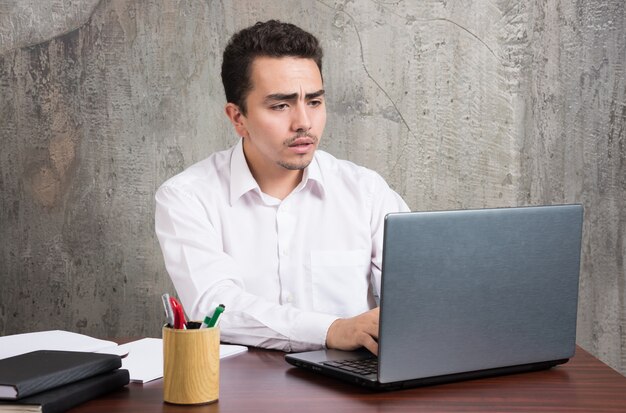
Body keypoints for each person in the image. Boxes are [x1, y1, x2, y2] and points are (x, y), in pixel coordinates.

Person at [155, 20, 409, 355]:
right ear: (237, 118)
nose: (303, 121)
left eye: (314, 102)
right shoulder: (187, 197)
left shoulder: (367, 192)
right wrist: (332, 329)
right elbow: (214, 307)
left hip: (352, 389)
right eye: (281, 105)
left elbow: (418, 294)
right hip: (239, 392)